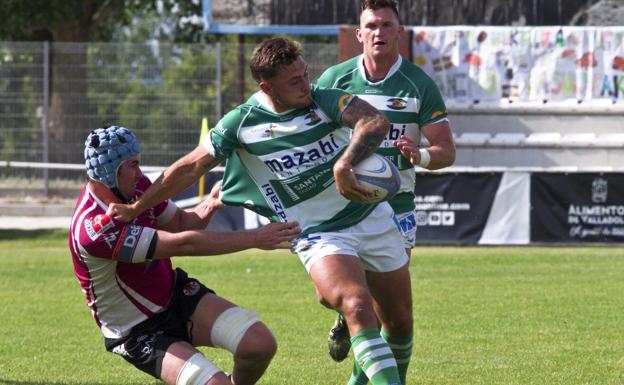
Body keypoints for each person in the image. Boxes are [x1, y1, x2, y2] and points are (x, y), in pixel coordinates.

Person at [107, 37, 410, 385]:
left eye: (305, 74)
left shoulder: (323, 98)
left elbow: (374, 122)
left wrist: (344, 164)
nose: (305, 84)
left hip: (371, 217)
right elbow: (190, 167)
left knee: (398, 325)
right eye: (294, 80)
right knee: (357, 304)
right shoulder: (242, 122)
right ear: (267, 86)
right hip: (317, 233)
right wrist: (137, 207)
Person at [69, 125, 300, 385]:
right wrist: (255, 238)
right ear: (110, 172)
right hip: (137, 330)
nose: (139, 173)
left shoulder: (138, 190)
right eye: (133, 165)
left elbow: (181, 224)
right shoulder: (94, 230)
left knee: (259, 344)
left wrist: (210, 204)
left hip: (176, 296)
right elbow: (182, 244)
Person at [316, 0, 456, 383]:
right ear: (360, 34)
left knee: (388, 312)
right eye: (371, 26)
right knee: (343, 298)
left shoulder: (418, 84)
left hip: (397, 207)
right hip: (343, 205)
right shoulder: (335, 80)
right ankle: (344, 317)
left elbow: (447, 151)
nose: (379, 33)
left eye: (386, 25)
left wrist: (422, 155)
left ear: (399, 33)